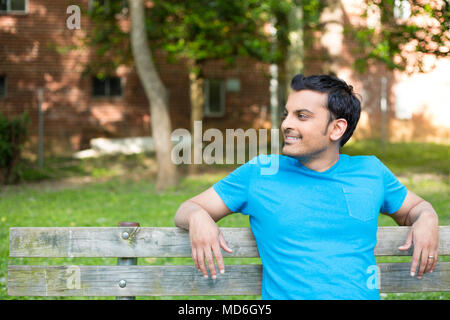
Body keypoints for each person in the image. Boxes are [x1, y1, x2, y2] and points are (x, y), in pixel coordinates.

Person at [174, 74, 439, 300]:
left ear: (336, 129)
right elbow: (189, 208)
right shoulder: (261, 172)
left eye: (302, 116)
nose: (286, 124)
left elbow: (413, 209)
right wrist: (198, 217)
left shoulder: (371, 171)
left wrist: (427, 217)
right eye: (286, 114)